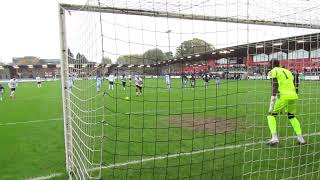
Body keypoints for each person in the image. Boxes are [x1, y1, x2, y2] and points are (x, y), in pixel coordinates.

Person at [266, 59, 306, 145]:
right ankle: (301, 138)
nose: (267, 64)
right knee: (291, 116)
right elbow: (296, 83)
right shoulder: (287, 71)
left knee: (271, 115)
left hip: (282, 96)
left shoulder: (273, 71)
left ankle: (274, 138)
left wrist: (272, 99)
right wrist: (295, 93)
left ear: (272, 64)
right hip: (293, 96)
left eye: (268, 63)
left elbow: (274, 85)